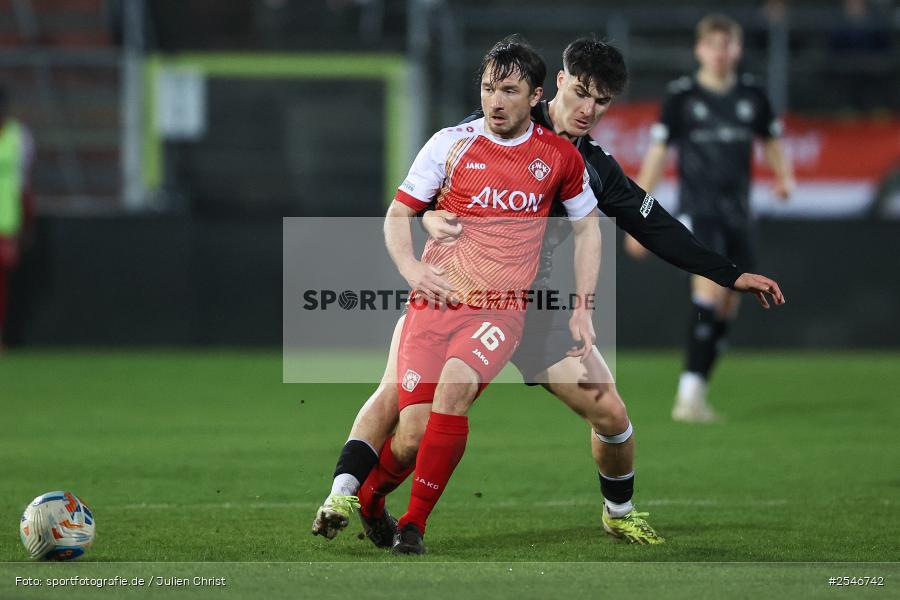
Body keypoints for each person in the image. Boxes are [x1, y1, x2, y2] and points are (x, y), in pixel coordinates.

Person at [312, 37, 786, 550]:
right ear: (557, 82)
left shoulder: (592, 166)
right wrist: (426, 216)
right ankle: (361, 495)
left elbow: (655, 226)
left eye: (601, 101)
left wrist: (729, 274)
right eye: (581, 92)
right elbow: (431, 188)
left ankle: (619, 512)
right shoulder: (501, 119)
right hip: (460, 293)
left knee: (612, 415)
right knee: (404, 421)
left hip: (534, 312)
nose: (588, 109)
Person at [629, 14, 794, 422]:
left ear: (737, 49)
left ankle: (696, 393)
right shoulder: (681, 97)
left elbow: (772, 141)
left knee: (729, 306)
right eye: (713, 45)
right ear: (700, 50)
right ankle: (686, 397)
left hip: (738, 214)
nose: (720, 53)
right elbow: (655, 157)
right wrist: (635, 218)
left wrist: (784, 177)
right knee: (711, 295)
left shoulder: (753, 95)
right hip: (700, 213)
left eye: (728, 45)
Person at [0, 86, 35, 351]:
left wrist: (27, 222)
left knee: (2, 284)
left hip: (6, 221)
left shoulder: (18, 136)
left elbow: (24, 184)